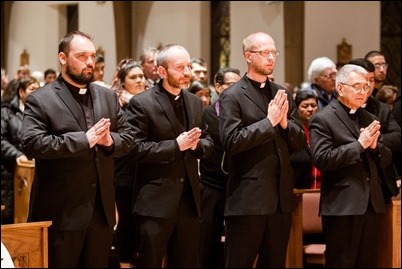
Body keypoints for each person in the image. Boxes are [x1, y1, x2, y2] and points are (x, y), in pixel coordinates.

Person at [20, 30, 134, 268]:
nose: (90, 62)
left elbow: (129, 138)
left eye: (93, 56)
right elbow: (32, 144)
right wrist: (84, 140)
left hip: (101, 214)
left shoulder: (108, 97)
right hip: (61, 213)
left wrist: (109, 142)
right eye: (82, 56)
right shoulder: (41, 99)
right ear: (62, 58)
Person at [219, 32, 306, 268]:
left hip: (280, 200)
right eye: (265, 53)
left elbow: (299, 143)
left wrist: (285, 124)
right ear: (248, 56)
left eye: (274, 53)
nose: (271, 58)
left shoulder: (282, 93)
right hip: (248, 200)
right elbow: (231, 141)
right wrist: (269, 123)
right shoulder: (232, 95)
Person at [126, 44, 214, 268]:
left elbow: (209, 142)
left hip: (189, 202)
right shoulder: (142, 103)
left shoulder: (194, 102)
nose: (187, 73)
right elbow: (134, 149)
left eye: (188, 67)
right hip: (155, 203)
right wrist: (175, 145)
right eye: (179, 68)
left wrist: (196, 146)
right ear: (162, 72)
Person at [309, 64, 393, 268]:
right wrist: (359, 145)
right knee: (342, 262)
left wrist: (374, 148)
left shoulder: (369, 117)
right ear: (340, 88)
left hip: (371, 205)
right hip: (342, 206)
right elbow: (322, 159)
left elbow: (386, 159)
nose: (363, 92)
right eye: (357, 86)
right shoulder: (322, 119)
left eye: (366, 87)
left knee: (368, 262)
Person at [198, 67, 241, 268]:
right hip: (211, 184)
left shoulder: (244, 114)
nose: (236, 90)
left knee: (237, 241)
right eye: (230, 85)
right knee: (207, 239)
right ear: (218, 87)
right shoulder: (205, 114)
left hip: (238, 186)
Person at [348, 58, 400, 202]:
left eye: (371, 80)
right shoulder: (336, 111)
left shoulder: (381, 108)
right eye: (364, 80)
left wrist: (374, 138)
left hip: (381, 181)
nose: (368, 85)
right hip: (351, 181)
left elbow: (398, 137)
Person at [113, 59, 147, 268]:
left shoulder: (150, 99)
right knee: (126, 221)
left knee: (144, 223)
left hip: (146, 170)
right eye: (133, 77)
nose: (139, 80)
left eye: (141, 76)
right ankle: (125, 263)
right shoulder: (118, 104)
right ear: (123, 82)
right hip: (124, 172)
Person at [1, 76, 40, 224]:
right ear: (21, 92)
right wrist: (17, 154)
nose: (36, 93)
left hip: (33, 169)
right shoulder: (6, 111)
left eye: (38, 89)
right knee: (10, 216)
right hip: (10, 170)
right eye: (32, 89)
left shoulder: (40, 111)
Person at [290, 89, 321, 189]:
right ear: (297, 109)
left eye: (313, 105)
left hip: (322, 187)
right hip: (298, 186)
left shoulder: (322, 129)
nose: (310, 109)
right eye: (305, 106)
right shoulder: (292, 130)